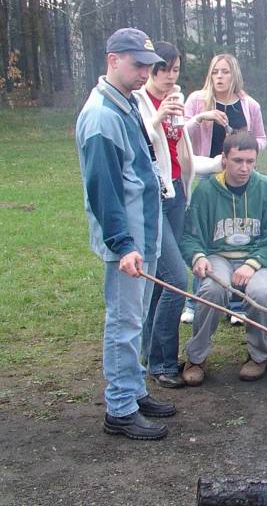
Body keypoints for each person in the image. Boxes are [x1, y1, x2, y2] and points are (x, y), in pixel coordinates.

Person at [75, 27, 175, 440]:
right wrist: (122, 245)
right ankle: (119, 408)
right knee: (124, 322)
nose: (144, 73)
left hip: (144, 233)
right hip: (128, 242)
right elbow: (105, 190)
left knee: (134, 319)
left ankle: (133, 390)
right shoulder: (101, 116)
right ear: (112, 60)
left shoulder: (128, 102)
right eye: (137, 65)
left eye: (148, 66)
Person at [134, 41, 222, 388]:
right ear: (150, 70)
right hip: (150, 199)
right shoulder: (138, 102)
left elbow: (178, 153)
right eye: (164, 70)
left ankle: (146, 353)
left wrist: (220, 163)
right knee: (175, 281)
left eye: (175, 70)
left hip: (175, 194)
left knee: (158, 282)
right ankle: (163, 361)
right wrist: (158, 117)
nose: (170, 77)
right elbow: (139, 146)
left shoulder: (177, 101)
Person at [180, 132, 267, 386]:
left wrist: (252, 264)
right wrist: (198, 257)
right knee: (212, 290)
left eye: (250, 161)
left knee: (260, 293)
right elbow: (190, 236)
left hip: (257, 257)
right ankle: (196, 357)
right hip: (219, 256)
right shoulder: (206, 191)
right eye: (238, 160)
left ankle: (259, 356)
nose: (244, 167)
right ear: (224, 159)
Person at [182, 53, 266, 324]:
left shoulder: (249, 104)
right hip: (209, 175)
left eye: (225, 72)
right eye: (215, 72)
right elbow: (179, 133)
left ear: (234, 75)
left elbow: (262, 138)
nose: (219, 77)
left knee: (239, 236)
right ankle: (195, 303)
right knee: (205, 238)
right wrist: (201, 118)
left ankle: (237, 304)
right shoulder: (197, 100)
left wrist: (248, 150)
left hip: (240, 176)